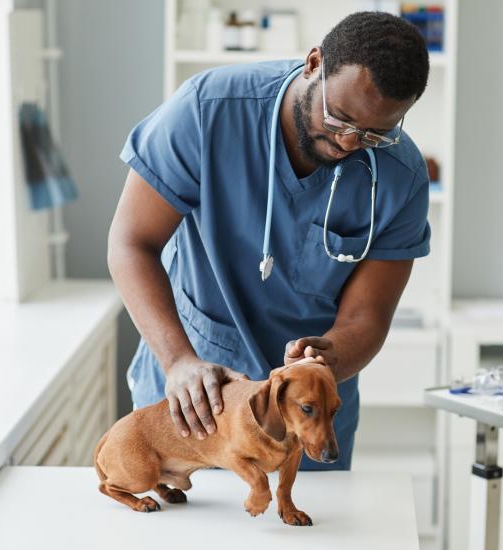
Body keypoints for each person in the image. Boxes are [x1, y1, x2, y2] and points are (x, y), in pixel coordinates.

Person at [107, 11, 432, 470]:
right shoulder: (207, 111)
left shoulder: (401, 177)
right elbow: (130, 242)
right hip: (197, 393)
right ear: (314, 64)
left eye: (375, 134)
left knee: (303, 535)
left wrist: (327, 359)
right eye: (339, 118)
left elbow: (367, 316)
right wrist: (178, 359)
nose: (348, 143)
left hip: (308, 410)